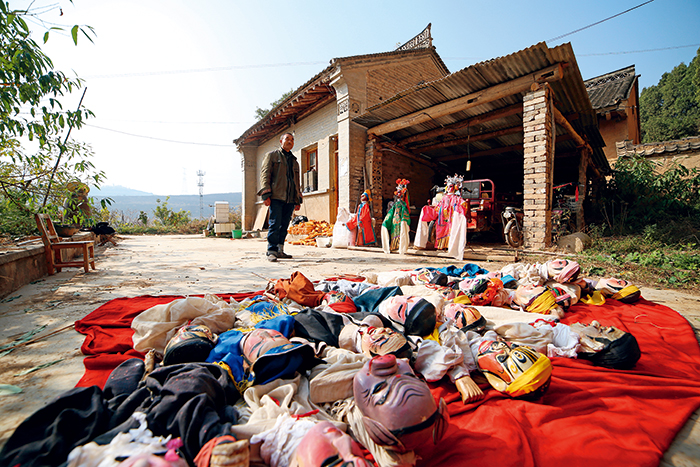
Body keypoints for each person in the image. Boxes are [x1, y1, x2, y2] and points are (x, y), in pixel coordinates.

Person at [258, 133, 303, 262]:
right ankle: (271, 251)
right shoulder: (272, 156)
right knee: (275, 224)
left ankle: (280, 250)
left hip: (290, 198)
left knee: (284, 225)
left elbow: (296, 181)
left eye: (292, 140)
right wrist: (265, 194)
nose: (290, 141)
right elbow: (265, 174)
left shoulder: (294, 161)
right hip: (276, 196)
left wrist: (298, 199)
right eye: (287, 139)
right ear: (281, 141)